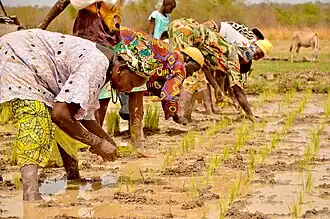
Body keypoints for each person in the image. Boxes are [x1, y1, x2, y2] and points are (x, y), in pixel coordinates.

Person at [0, 28, 156, 201]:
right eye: (132, 83)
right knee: (37, 118)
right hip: (19, 56)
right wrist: (97, 143)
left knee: (67, 119)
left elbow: (83, 115)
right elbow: (60, 115)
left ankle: (73, 176)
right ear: (122, 69)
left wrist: (106, 139)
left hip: (32, 62)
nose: (130, 90)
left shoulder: (106, 67)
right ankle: (31, 194)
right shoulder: (96, 64)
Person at [168, 18, 262, 122]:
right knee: (189, 75)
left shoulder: (223, 51)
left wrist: (216, 88)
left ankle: (177, 111)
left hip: (178, 25)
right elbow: (238, 91)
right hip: (186, 32)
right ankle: (179, 114)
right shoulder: (233, 59)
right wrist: (251, 116)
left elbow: (204, 66)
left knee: (179, 69)